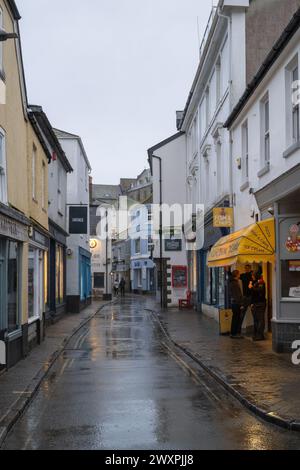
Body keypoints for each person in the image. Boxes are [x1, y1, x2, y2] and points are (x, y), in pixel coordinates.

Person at [249, 273, 267, 341]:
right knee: (256, 320)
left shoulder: (261, 282)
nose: (252, 277)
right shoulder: (256, 282)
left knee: (260, 320)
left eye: (253, 276)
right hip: (256, 303)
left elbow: (259, 291)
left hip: (260, 303)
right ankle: (256, 334)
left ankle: (260, 335)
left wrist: (252, 287)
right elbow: (253, 293)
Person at [229, 270, 246, 339]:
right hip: (236, 303)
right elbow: (237, 295)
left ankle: (233, 333)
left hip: (234, 303)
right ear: (236, 275)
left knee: (235, 318)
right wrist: (241, 303)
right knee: (236, 319)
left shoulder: (232, 282)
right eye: (239, 274)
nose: (240, 275)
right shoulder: (235, 283)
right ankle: (234, 333)